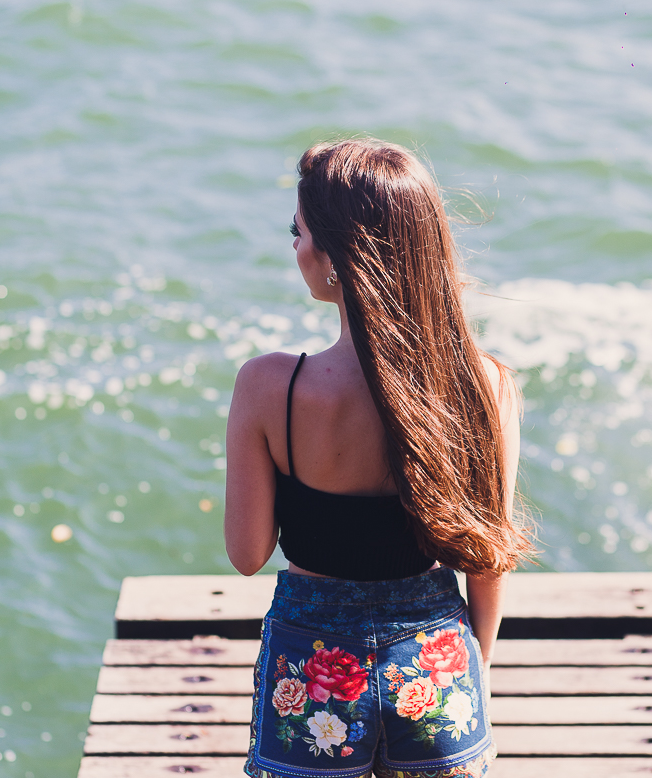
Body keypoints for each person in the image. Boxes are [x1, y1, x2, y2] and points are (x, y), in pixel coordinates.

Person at [224, 138, 532, 778]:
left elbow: (247, 553)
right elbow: (488, 558)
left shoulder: (270, 387)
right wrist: (476, 671)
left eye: (298, 231)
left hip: (311, 676)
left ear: (336, 257)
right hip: (435, 667)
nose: (295, 248)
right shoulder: (486, 385)